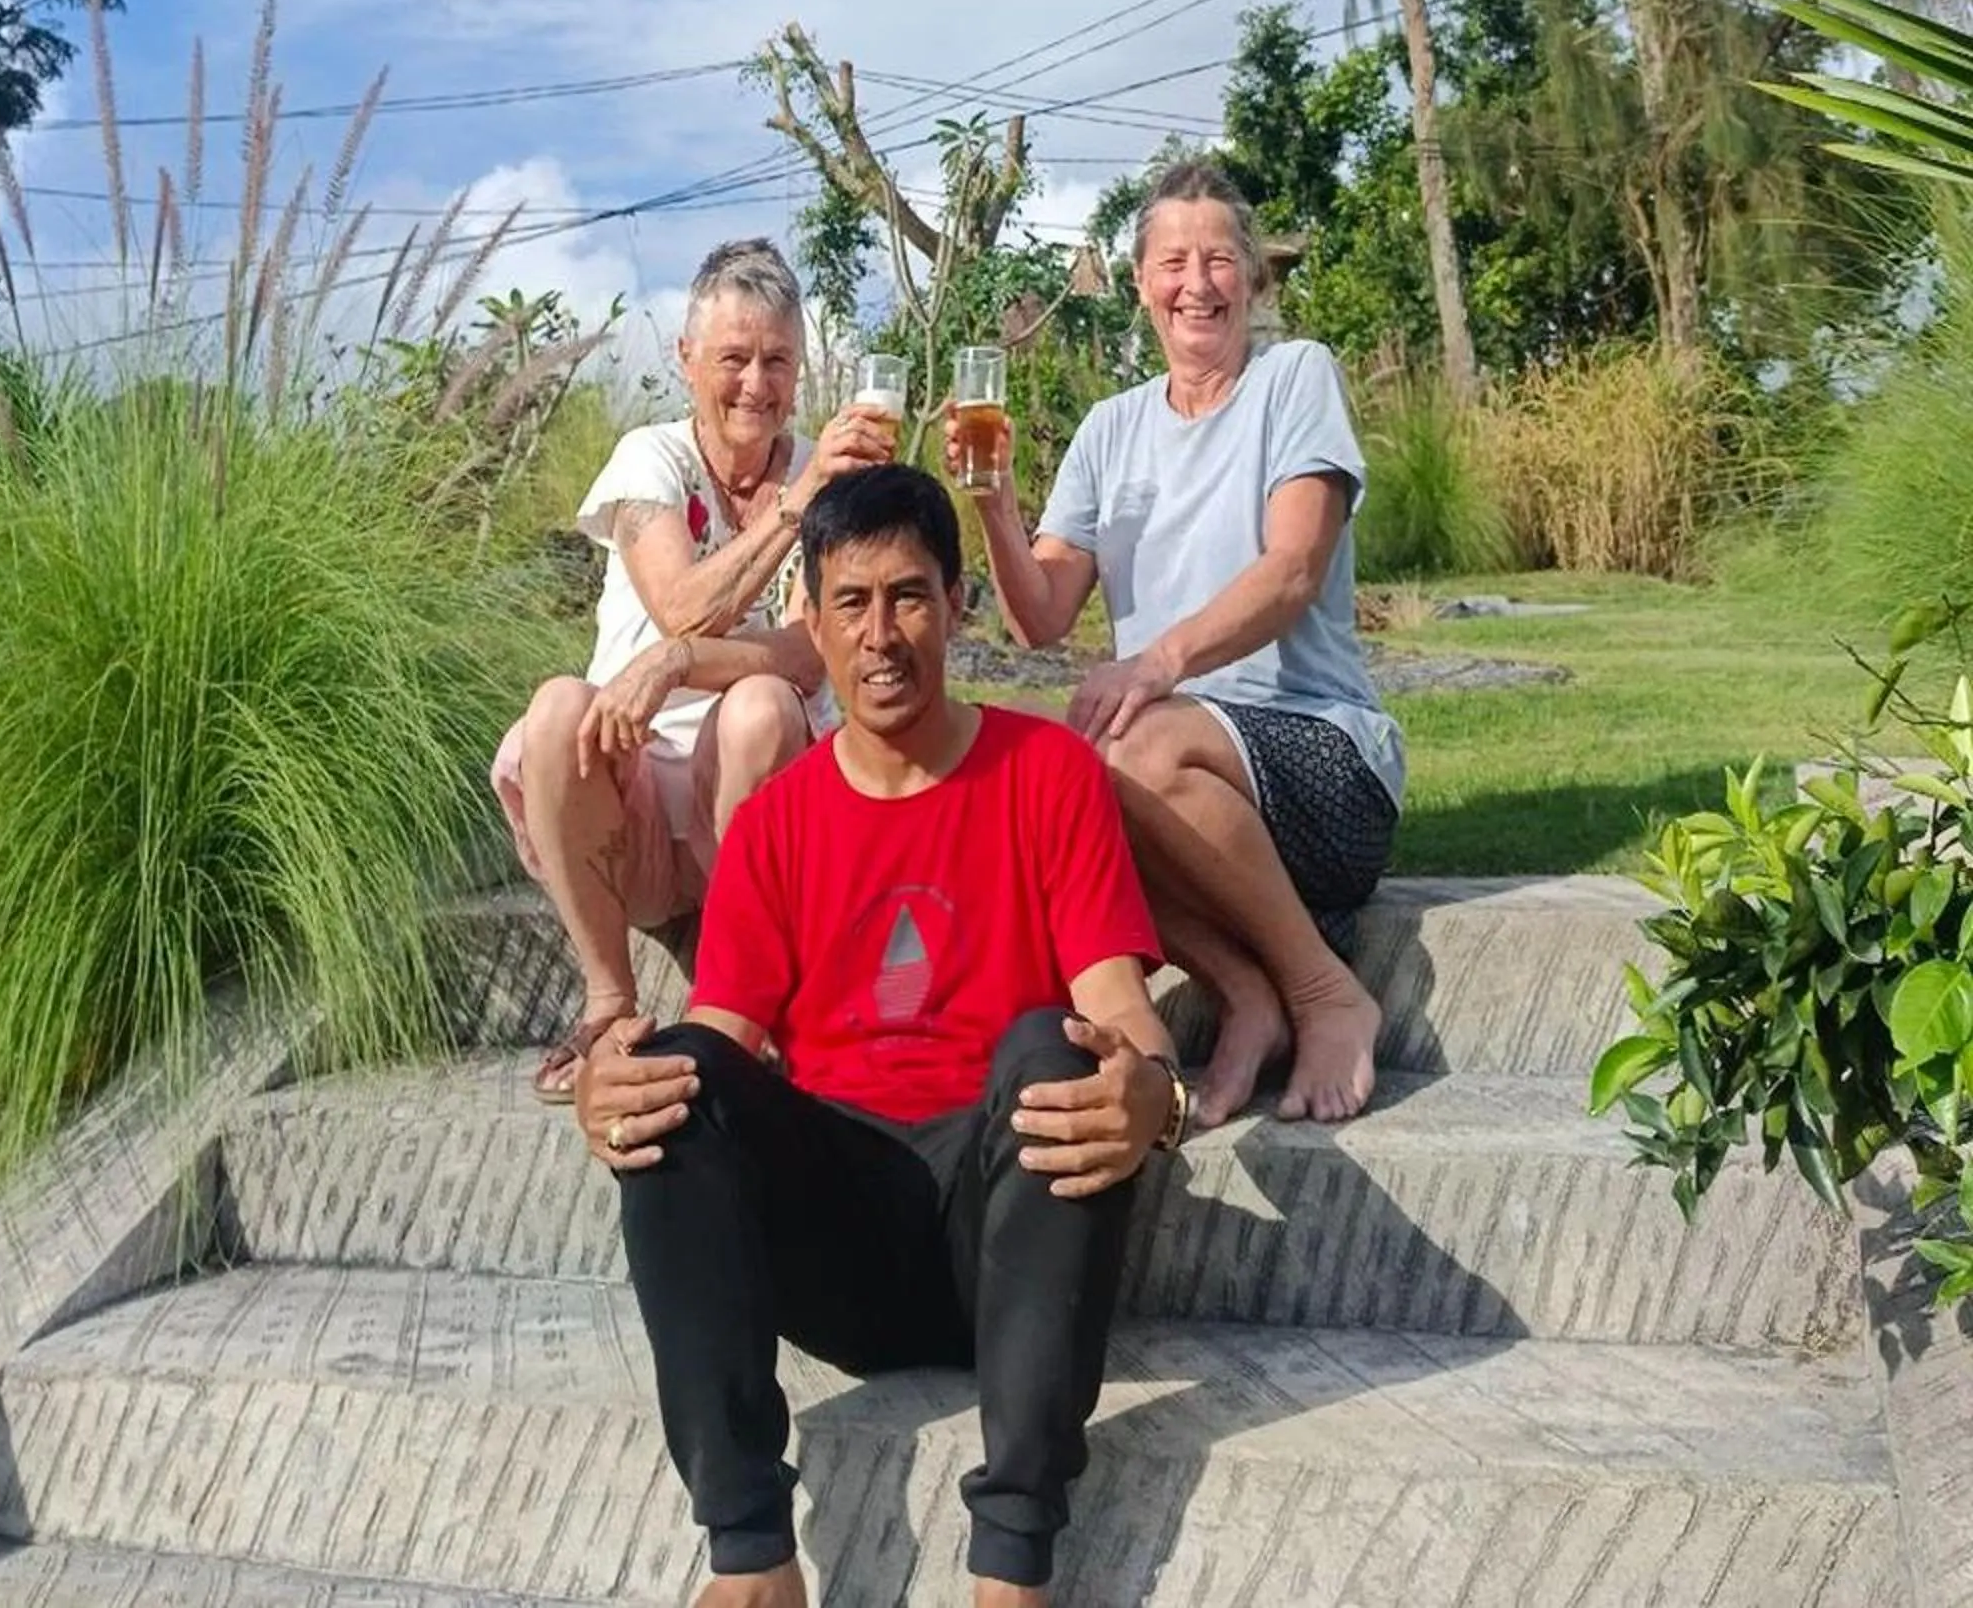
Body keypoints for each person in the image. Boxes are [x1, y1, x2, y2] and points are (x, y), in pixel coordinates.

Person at [577, 463, 1189, 1608]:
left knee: (1057, 1053)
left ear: (955, 604)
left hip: (1002, 1231)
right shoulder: (774, 825)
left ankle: (1010, 1565)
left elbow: (1117, 1011)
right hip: (839, 1249)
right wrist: (619, 1091)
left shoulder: (1046, 774)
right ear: (806, 621)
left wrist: (1157, 1094)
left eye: (908, 596)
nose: (881, 634)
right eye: (849, 603)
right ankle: (752, 1555)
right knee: (671, 1075)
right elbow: (720, 1042)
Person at [960, 159, 1400, 1132]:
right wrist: (993, 507)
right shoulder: (1109, 431)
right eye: (1171, 262)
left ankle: (1323, 991)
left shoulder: (1293, 380)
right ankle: (1243, 993)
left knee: (1134, 741)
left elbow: (1291, 570)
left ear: (1250, 279)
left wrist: (1156, 662)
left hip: (1320, 769)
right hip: (1176, 788)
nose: (1194, 283)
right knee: (1034, 790)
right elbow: (1039, 618)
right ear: (1139, 285)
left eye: (1215, 260)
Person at [491, 236, 894, 1103]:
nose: (756, 383)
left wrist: (677, 664)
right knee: (561, 705)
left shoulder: (831, 473)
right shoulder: (652, 457)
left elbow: (806, 654)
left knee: (761, 705)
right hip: (626, 798)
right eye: (734, 359)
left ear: (803, 369)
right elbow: (680, 602)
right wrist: (796, 507)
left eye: (778, 360)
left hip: (750, 787)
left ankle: (743, 995)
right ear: (687, 361)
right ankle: (609, 1002)